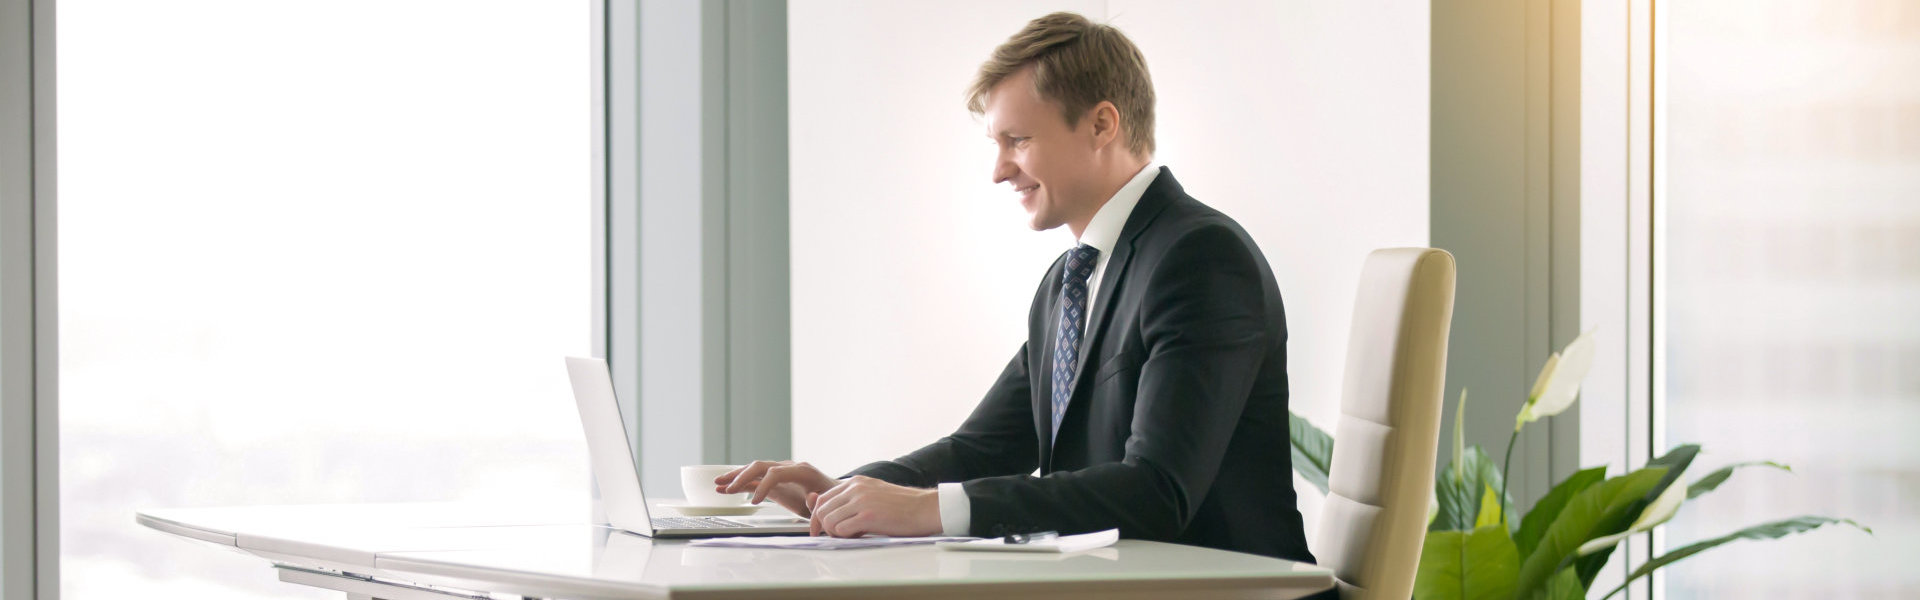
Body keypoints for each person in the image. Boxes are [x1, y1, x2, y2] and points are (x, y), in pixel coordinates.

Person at [715, 11, 1315, 563]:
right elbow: (981, 448)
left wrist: (925, 511)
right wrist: (842, 491)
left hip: (1232, 585)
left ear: (1102, 124)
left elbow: (1157, 490)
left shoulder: (1200, 257)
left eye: (1018, 141)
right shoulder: (1068, 282)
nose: (999, 170)